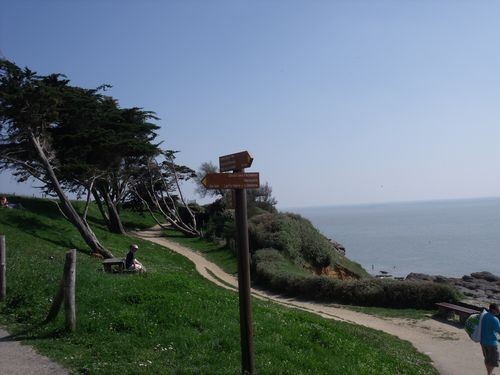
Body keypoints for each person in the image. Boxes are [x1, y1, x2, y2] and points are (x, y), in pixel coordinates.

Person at [480, 303, 500, 375]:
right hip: (491, 343)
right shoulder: (494, 319)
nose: (499, 311)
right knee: (494, 360)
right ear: (493, 310)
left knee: (487, 359)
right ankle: (489, 374)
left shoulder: (484, 315)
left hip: (483, 342)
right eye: (498, 309)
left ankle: (489, 373)